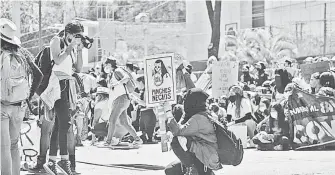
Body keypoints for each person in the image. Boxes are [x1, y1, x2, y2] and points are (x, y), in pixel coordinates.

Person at [1, 18, 42, 175]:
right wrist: (29, 96)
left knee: (3, 147)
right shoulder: (23, 53)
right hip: (19, 106)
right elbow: (39, 74)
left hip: (2, 105)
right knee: (13, 145)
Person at [43, 20, 84, 175]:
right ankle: (63, 160)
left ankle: (52, 161)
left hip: (67, 85)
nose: (77, 37)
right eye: (75, 34)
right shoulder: (57, 41)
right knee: (65, 124)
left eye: (79, 35)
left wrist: (79, 50)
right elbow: (57, 60)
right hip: (57, 85)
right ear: (67, 33)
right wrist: (70, 47)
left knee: (60, 125)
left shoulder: (72, 47)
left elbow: (78, 68)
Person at [165, 88, 222, 175]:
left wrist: (168, 112)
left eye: (186, 100)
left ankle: (191, 169)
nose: (184, 103)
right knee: (170, 170)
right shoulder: (203, 113)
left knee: (176, 140)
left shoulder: (198, 118)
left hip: (206, 157)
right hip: (207, 154)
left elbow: (177, 131)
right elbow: (180, 125)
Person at [104, 58, 143, 146]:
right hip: (123, 99)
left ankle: (108, 141)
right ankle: (137, 139)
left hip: (121, 99)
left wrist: (116, 84)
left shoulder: (117, 71)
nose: (105, 67)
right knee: (124, 122)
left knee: (112, 120)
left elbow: (126, 78)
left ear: (110, 64)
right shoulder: (113, 73)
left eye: (106, 64)